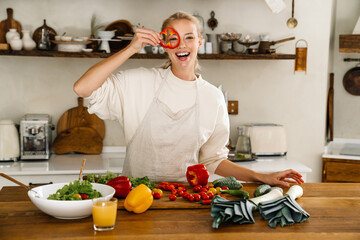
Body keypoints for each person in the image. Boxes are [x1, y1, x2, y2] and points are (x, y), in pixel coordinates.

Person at [74, 11, 304, 187]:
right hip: (136, 198)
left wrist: (261, 177)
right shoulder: (138, 83)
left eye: (189, 37)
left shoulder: (212, 97)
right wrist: (131, 48)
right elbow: (82, 88)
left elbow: (213, 160)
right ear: (164, 44)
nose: (182, 45)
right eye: (174, 38)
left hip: (186, 199)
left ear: (200, 42)